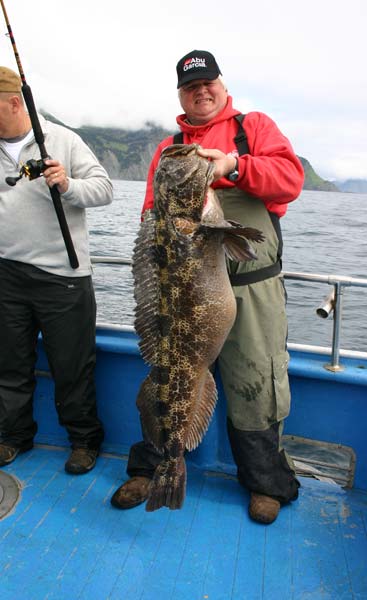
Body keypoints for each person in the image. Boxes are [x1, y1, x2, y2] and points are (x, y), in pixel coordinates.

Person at [111, 50, 304, 523]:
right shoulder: (169, 146)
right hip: (183, 290)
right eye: (190, 86)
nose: (201, 91)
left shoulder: (253, 127)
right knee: (169, 371)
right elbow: (151, 222)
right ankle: (154, 464)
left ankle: (263, 483)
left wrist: (232, 167)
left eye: (208, 82)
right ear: (180, 94)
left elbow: (289, 180)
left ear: (221, 84)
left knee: (257, 381)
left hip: (253, 286)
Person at [0, 66, 113, 474]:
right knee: (9, 363)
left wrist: (67, 185)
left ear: (15, 102)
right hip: (6, 273)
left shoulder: (63, 140)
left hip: (62, 277)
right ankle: (13, 435)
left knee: (72, 365)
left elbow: (104, 189)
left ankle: (84, 441)